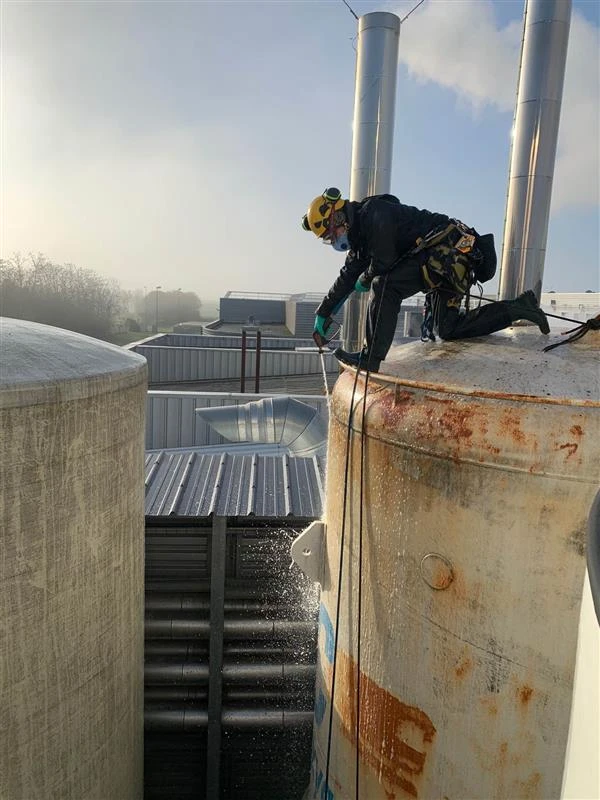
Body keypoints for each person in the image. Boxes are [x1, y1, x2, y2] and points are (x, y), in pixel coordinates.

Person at [302, 188, 550, 373]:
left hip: (448, 253)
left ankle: (371, 358)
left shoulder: (374, 214)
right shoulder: (359, 238)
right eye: (327, 238)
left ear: (336, 217)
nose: (333, 240)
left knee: (385, 285)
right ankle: (519, 307)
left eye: (330, 234)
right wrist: (324, 313)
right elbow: (347, 276)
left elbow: (384, 263)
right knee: (447, 329)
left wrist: (366, 279)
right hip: (445, 261)